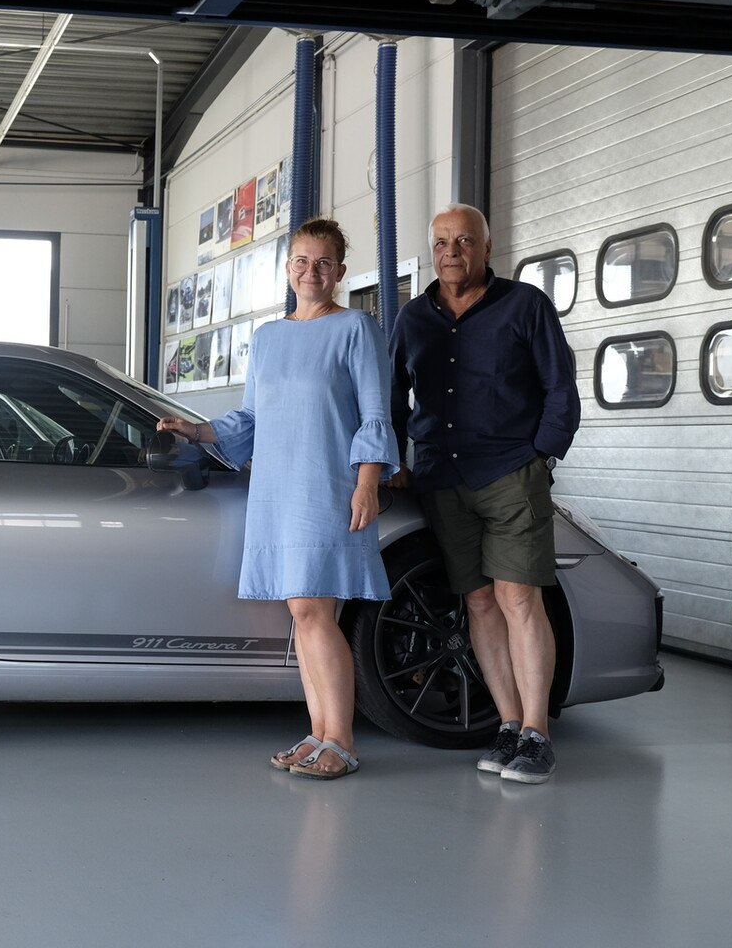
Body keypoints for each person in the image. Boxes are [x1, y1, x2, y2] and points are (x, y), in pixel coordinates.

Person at [159, 219, 399, 780]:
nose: (310, 271)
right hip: (277, 486)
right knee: (300, 611)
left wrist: (368, 481)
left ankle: (340, 740)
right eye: (300, 261)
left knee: (316, 610)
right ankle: (319, 734)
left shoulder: (356, 329)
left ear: (340, 271)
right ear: (287, 269)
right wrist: (198, 432)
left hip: (328, 485)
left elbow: (375, 414)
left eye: (323, 262)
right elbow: (252, 419)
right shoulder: (267, 338)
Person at [387, 203, 581, 784]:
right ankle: (507, 725)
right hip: (442, 479)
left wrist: (541, 455)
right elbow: (393, 395)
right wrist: (392, 457)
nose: (452, 251)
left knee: (520, 597)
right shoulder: (413, 319)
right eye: (443, 241)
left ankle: (537, 733)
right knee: (477, 602)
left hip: (509, 473)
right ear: (432, 250)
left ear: (487, 248)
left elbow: (560, 385)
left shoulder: (526, 306)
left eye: (465, 241)